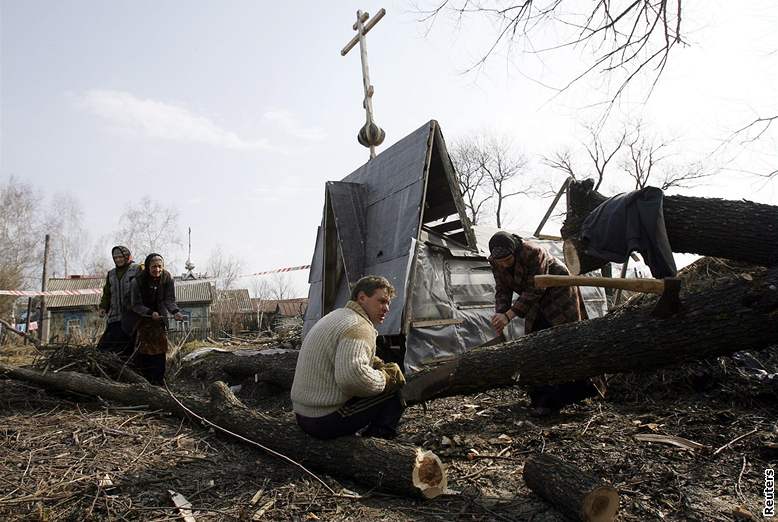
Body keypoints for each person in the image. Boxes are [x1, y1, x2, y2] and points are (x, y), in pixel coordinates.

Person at [488, 231, 596, 416]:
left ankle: (571, 394)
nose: (504, 265)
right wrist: (500, 312)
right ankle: (542, 399)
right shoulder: (496, 262)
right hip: (533, 301)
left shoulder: (533, 252)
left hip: (558, 293)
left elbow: (535, 289)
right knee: (535, 344)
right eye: (501, 262)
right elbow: (502, 289)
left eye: (508, 260)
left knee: (562, 340)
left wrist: (509, 315)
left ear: (514, 251)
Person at [291, 275, 406, 440]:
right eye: (381, 301)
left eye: (388, 303)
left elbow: (348, 354)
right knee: (394, 394)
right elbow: (353, 379)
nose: (386, 308)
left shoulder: (338, 316)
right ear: (362, 298)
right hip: (323, 420)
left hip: (303, 413)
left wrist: (378, 364)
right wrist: (385, 378)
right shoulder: (360, 326)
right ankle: (375, 446)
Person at [126, 253, 184, 385]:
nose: (157, 270)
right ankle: (144, 381)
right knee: (144, 351)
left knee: (160, 351)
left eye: (159, 266)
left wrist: (175, 312)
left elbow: (169, 299)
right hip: (142, 319)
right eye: (153, 266)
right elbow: (135, 304)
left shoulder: (167, 277)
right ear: (148, 267)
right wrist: (150, 312)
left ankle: (158, 382)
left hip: (159, 321)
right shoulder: (138, 281)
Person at [97, 246, 140, 356]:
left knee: (127, 349)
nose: (118, 260)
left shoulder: (137, 269)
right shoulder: (111, 274)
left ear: (126, 256)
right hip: (114, 318)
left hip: (131, 318)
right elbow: (107, 293)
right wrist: (103, 307)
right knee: (104, 348)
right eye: (115, 258)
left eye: (120, 257)